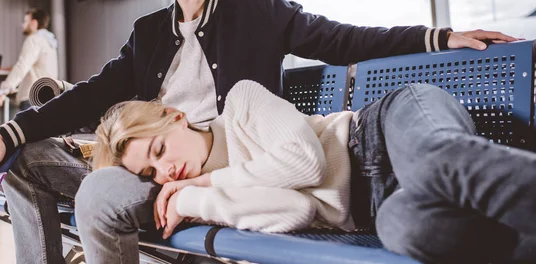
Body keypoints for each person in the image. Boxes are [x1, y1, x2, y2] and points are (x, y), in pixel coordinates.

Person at [0, 0, 518, 264]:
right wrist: (11, 133)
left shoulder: (255, 11)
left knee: (96, 191)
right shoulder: (147, 35)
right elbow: (94, 93)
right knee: (26, 160)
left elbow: (344, 41)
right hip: (172, 171)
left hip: (246, 156)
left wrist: (436, 36)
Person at [93, 79, 536, 263]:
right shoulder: (211, 201)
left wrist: (206, 180)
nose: (166, 171)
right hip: (379, 210)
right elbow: (295, 210)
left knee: (436, 162)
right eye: (151, 174)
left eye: (159, 150)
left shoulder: (242, 102)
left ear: (174, 116)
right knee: (411, 232)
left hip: (382, 130)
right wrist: (194, 199)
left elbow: (307, 161)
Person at [0, 8, 59, 111]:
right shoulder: (49, 42)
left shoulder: (34, 40)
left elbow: (22, 66)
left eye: (26, 21)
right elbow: (37, 66)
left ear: (34, 23)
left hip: (32, 98)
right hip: (47, 98)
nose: (23, 25)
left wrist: (2, 92)